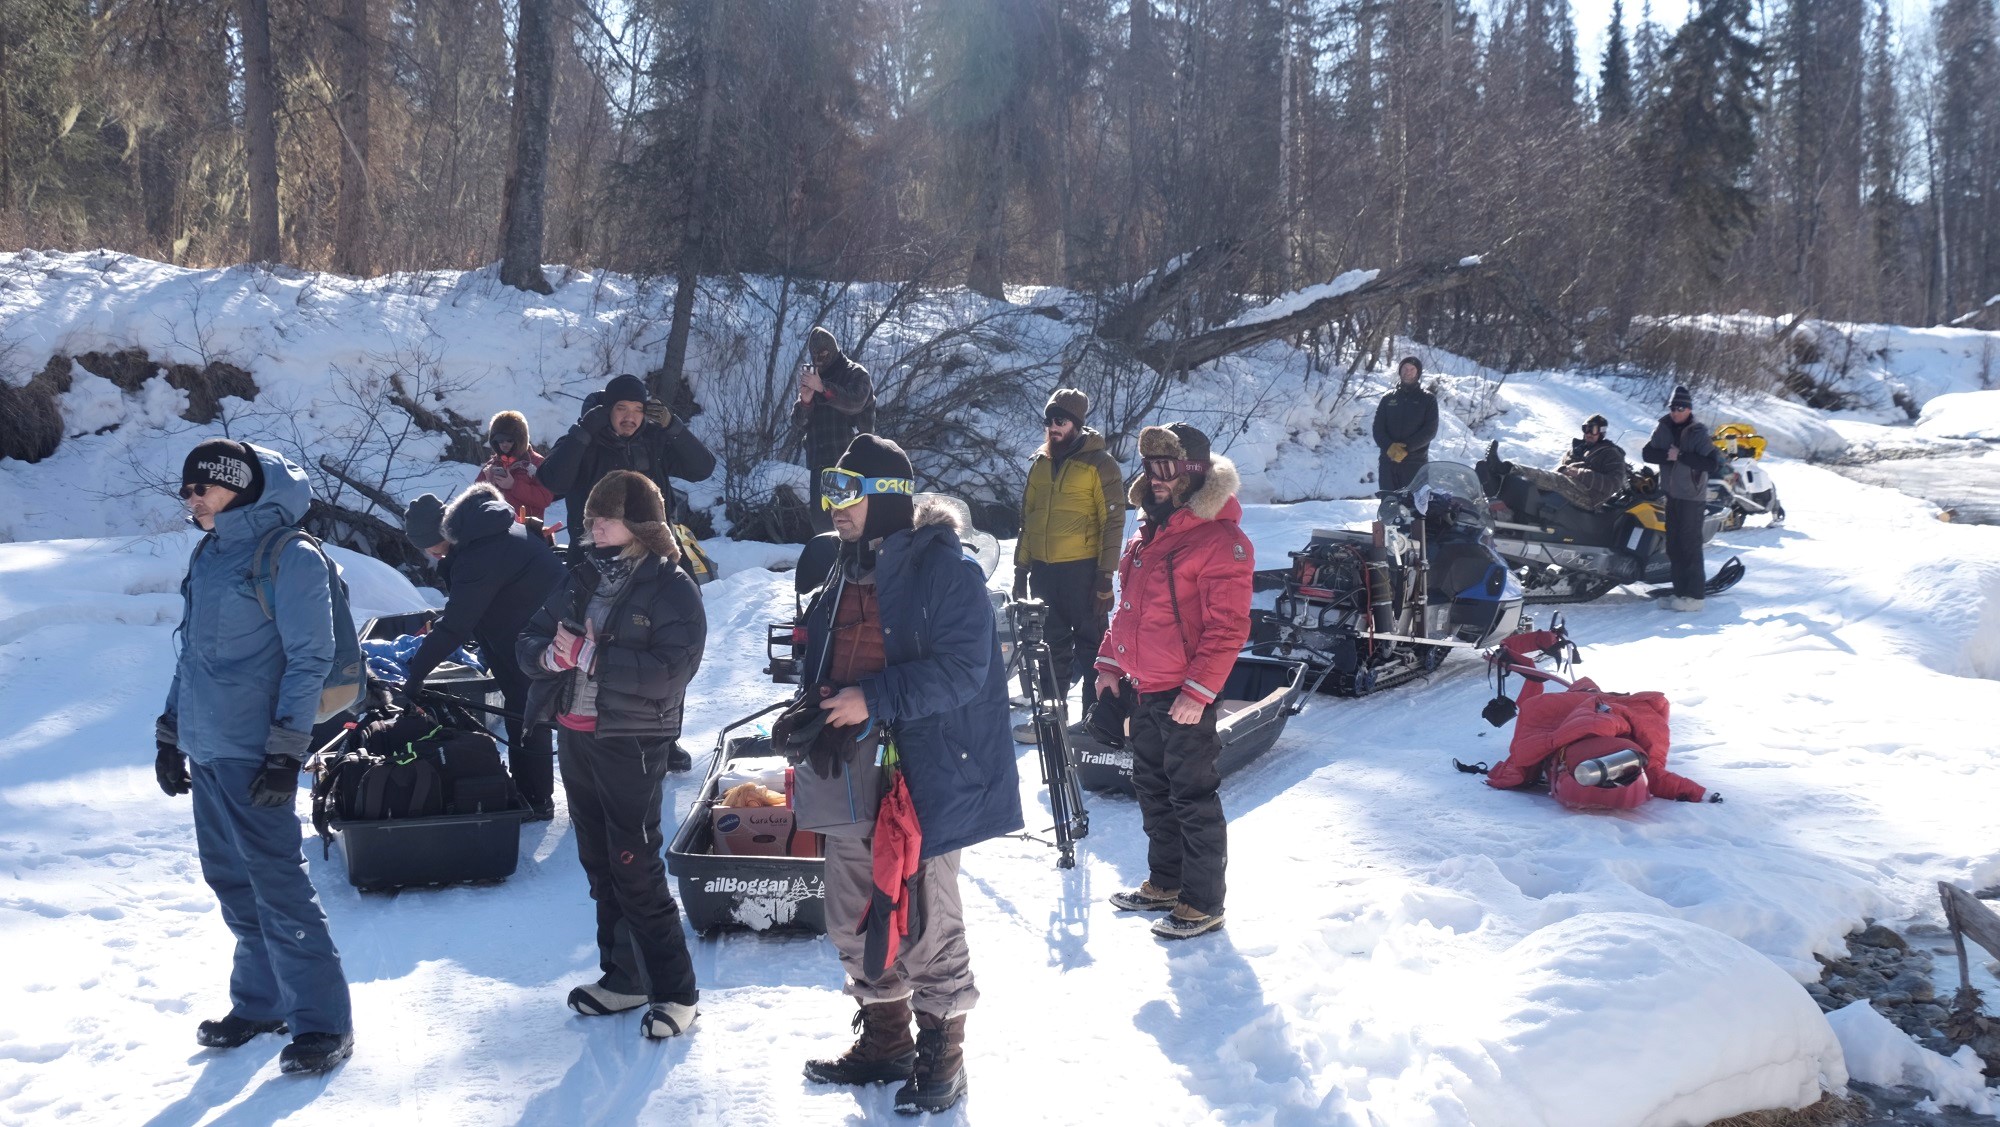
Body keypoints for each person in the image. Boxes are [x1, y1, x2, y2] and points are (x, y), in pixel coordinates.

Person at [798, 435, 1022, 1115]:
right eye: (830, 491)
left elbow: (965, 671)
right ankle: (887, 1038)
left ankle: (942, 1057)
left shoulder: (943, 572)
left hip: (920, 771)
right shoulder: (840, 567)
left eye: (848, 492)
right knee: (850, 912)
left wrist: (877, 697)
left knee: (922, 916)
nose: (834, 506)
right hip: (846, 765)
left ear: (887, 498)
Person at [154, 438, 354, 1074]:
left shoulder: (290, 557)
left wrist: (287, 750)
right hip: (209, 746)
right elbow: (193, 652)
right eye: (186, 490)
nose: (191, 500)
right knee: (232, 881)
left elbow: (310, 658)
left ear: (237, 488)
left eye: (201, 488)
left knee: (278, 884)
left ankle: (323, 1023)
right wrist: (169, 729)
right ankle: (262, 1002)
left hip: (257, 749)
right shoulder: (211, 551)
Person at [518, 470, 705, 1040]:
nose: (593, 525)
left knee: (634, 865)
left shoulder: (672, 587)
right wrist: (551, 659)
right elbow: (529, 638)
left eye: (607, 517)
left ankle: (677, 992)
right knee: (599, 861)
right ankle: (625, 977)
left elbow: (672, 674)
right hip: (575, 733)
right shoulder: (577, 577)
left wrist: (593, 659)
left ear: (641, 526)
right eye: (592, 517)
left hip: (633, 742)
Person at [1094, 422, 1253, 941]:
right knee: (1153, 788)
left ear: (1192, 476)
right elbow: (1129, 612)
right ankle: (1166, 882)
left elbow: (1228, 627)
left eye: (1166, 469)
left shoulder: (1220, 541)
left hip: (1184, 693)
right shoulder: (1149, 532)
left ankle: (1204, 901)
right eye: (1149, 468)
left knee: (1192, 797)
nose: (1154, 479)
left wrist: (1199, 692)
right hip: (1143, 685)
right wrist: (1110, 664)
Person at [538, 372, 716, 770]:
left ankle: (665, 738)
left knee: (667, 647)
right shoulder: (587, 442)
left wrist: (674, 426)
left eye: (638, 410)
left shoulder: (654, 440)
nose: (630, 418)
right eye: (622, 409)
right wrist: (584, 431)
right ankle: (595, 733)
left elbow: (703, 468)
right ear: (606, 411)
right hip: (594, 561)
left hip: (656, 558)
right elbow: (551, 480)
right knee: (596, 648)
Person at [401, 483, 566, 818]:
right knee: (531, 709)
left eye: (430, 548)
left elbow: (455, 626)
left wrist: (415, 677)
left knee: (527, 712)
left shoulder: (478, 555)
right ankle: (531, 792)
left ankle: (535, 800)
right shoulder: (484, 531)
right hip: (537, 624)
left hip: (542, 632)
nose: (432, 556)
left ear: (439, 535)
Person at [1010, 388, 1124, 742]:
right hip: (1045, 571)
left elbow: (1114, 522)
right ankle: (1051, 722)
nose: (1052, 427)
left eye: (1060, 420)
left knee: (1092, 647)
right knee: (1049, 647)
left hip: (1084, 571)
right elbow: (1028, 520)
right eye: (1048, 421)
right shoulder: (1040, 463)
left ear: (1076, 423)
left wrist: (1105, 577)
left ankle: (1095, 724)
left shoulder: (1100, 463)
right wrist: (1020, 570)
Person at [1642, 385, 1720, 613]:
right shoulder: (1663, 427)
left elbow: (1711, 464)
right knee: (1674, 547)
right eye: (1673, 408)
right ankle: (1680, 593)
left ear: (1689, 409)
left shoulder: (1698, 432)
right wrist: (1667, 455)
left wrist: (1682, 456)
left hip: (1692, 498)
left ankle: (1694, 597)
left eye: (1681, 408)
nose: (1676, 412)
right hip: (1671, 495)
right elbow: (1648, 453)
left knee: (1690, 546)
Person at [793, 326, 875, 530]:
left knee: (849, 521)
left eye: (824, 354)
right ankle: (828, 563)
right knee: (822, 525)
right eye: (815, 356)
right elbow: (798, 423)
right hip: (819, 464)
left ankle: (852, 562)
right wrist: (806, 401)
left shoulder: (855, 373)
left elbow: (855, 403)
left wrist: (823, 388)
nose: (819, 360)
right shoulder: (815, 378)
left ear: (834, 349)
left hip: (851, 461)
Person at [1508, 414, 1630, 511]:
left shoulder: (1611, 453)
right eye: (1585, 429)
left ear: (1601, 432)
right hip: (1571, 486)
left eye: (1592, 430)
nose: (1588, 433)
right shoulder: (1578, 449)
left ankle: (1510, 469)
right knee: (1538, 483)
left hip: (1590, 496)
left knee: (1557, 481)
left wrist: (1580, 473)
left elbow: (1614, 483)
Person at [473, 410, 556, 523]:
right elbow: (474, 497)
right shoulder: (493, 464)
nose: (504, 444)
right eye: (500, 440)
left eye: (509, 440)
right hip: (497, 527)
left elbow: (545, 498)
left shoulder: (536, 463)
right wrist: (488, 484)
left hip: (527, 530)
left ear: (520, 439)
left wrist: (513, 485)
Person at [1372, 355, 1439, 492]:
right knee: (1389, 503)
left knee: (1414, 506)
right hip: (1388, 461)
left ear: (1418, 373)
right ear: (1400, 371)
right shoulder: (1388, 398)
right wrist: (1390, 447)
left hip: (1415, 463)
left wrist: (1406, 448)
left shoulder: (1428, 399)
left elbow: (1430, 430)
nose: (1408, 372)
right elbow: (1378, 428)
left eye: (1412, 369)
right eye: (1405, 368)